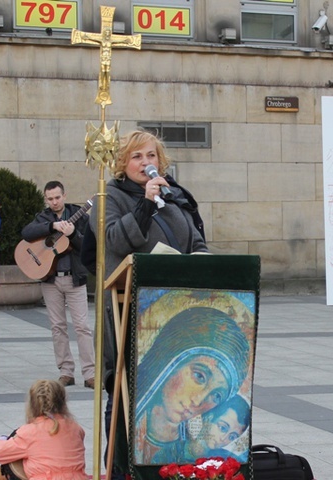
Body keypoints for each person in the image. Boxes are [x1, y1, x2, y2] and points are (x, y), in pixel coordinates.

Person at [86, 130, 207, 476]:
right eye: (137, 156)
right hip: (132, 313)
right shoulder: (110, 195)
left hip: (178, 315)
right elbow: (113, 241)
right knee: (126, 397)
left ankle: (177, 468)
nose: (145, 163)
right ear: (123, 163)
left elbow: (196, 242)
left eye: (151, 156)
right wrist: (144, 202)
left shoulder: (175, 196)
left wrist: (201, 261)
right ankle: (119, 469)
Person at [134, 307, 250, 464]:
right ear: (171, 360)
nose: (198, 401)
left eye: (216, 396)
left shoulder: (193, 450)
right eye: (199, 376)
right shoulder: (128, 427)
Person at [21, 181, 95, 389]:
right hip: (51, 279)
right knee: (57, 327)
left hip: (75, 278)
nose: (54, 202)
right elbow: (27, 233)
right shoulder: (44, 217)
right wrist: (51, 226)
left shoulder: (80, 217)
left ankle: (89, 373)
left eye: (57, 197)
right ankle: (66, 372)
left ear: (64, 195)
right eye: (50, 198)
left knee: (82, 327)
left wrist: (72, 234)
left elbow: (87, 247)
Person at [0, 379, 88, 480]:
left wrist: (1, 440)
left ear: (32, 403)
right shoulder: (75, 428)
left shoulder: (29, 432)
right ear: (63, 401)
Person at [177, 394, 251, 463]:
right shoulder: (175, 448)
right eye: (222, 428)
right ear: (208, 418)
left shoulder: (228, 460)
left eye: (231, 437)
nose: (223, 438)